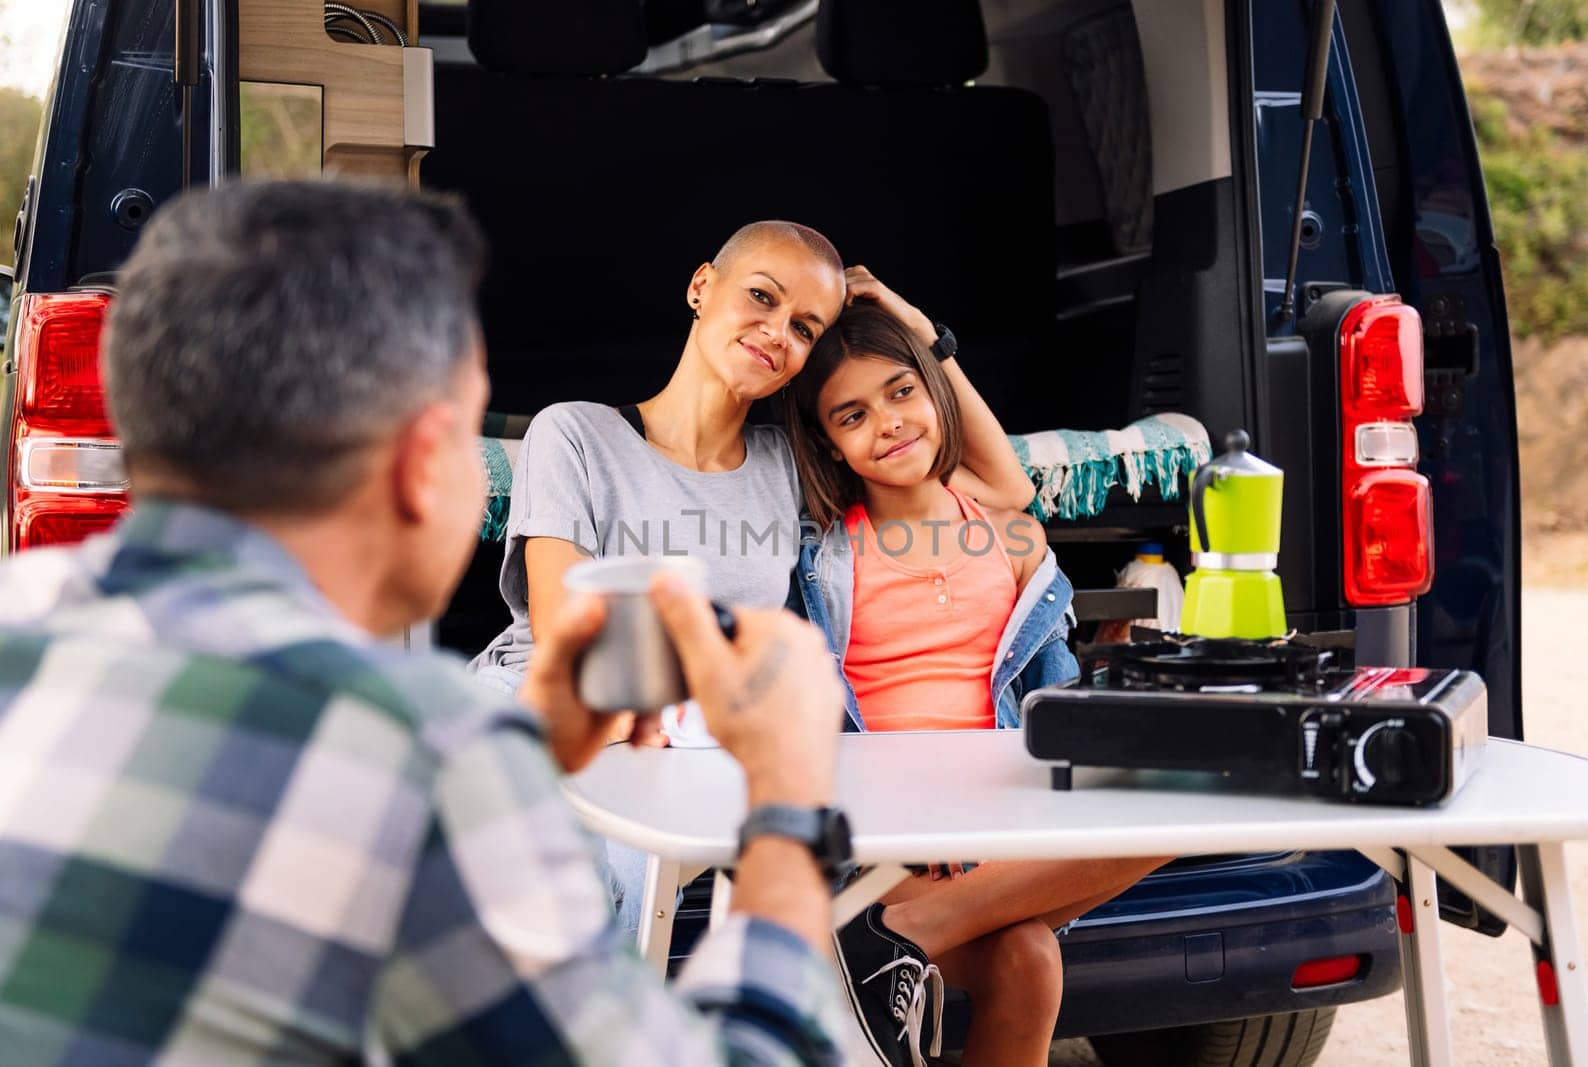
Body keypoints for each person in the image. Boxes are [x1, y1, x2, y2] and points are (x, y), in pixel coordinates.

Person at [0, 180, 857, 1065]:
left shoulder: (23, 625)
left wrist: (524, 753)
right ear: (422, 463)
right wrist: (789, 806)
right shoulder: (427, 754)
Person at [776, 279, 1170, 1067]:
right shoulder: (826, 553)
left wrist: (925, 331)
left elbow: (1008, 477)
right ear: (827, 444)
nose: (888, 423)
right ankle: (890, 929)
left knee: (1174, 795)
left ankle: (890, 945)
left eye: (901, 392)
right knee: (1026, 953)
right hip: (882, 843)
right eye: (852, 416)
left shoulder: (1002, 525)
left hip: (999, 826)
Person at [472, 219, 850, 931]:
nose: (777, 332)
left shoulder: (789, 466)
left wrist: (911, 326)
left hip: (690, 733)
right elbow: (572, 650)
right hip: (554, 706)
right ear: (701, 286)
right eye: (762, 297)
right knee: (593, 872)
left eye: (805, 327)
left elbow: (989, 487)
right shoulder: (575, 433)